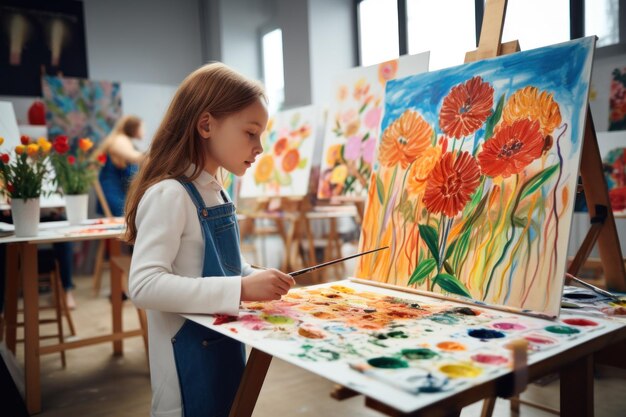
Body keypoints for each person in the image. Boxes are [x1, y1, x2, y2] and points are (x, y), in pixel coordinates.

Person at [125, 62, 295, 417]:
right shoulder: (170, 194)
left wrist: (254, 276)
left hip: (223, 349)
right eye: (251, 133)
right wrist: (242, 290)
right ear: (206, 125)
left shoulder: (215, 192)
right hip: (186, 373)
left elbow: (224, 265)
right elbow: (144, 285)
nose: (259, 146)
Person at [96, 115, 145, 217]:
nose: (144, 131)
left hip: (117, 192)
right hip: (113, 192)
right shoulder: (120, 140)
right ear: (134, 128)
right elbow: (134, 157)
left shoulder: (122, 140)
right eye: (142, 127)